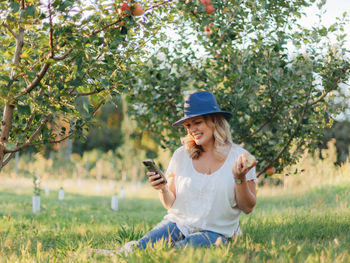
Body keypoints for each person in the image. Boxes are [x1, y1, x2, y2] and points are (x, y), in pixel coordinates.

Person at [120, 90, 257, 253]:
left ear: (214, 121)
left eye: (197, 122)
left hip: (217, 232)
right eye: (188, 125)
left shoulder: (239, 157)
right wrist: (162, 188)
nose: (192, 129)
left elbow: (247, 208)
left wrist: (239, 179)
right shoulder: (181, 156)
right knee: (139, 249)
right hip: (178, 225)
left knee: (178, 252)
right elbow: (171, 204)